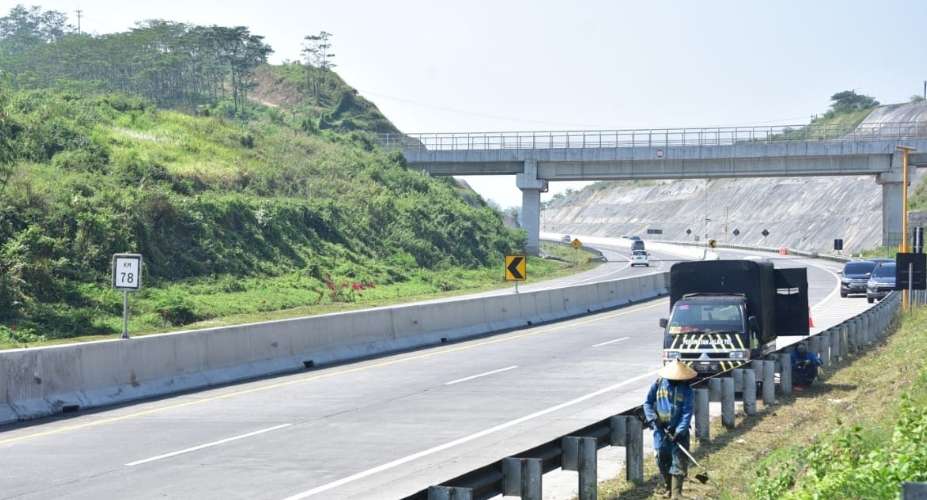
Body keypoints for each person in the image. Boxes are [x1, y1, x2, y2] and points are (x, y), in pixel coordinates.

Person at [643, 360, 697, 498]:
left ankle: (677, 493)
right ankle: (669, 488)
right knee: (662, 458)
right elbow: (647, 403)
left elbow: (687, 412)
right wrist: (654, 419)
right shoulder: (658, 384)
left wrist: (679, 431)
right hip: (660, 430)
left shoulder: (687, 390)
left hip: (679, 432)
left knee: (678, 460)